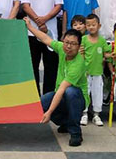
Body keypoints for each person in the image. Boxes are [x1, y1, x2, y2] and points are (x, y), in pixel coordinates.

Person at [25, 19, 88, 147]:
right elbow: (45, 39)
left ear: (79, 46)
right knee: (44, 101)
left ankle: (75, 132)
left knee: (70, 91)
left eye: (73, 44)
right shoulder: (62, 49)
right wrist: (29, 26)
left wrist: (49, 113)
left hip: (77, 98)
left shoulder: (78, 63)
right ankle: (66, 122)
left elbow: (62, 89)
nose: (69, 46)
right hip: (62, 95)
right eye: (67, 42)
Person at [21, 0, 63, 94]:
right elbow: (25, 6)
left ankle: (48, 97)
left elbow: (58, 6)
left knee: (51, 67)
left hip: (50, 34)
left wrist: (44, 19)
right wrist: (38, 20)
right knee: (32, 66)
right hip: (32, 33)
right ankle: (34, 96)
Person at [80, 13, 109, 126]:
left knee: (98, 93)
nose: (91, 27)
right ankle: (84, 113)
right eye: (88, 25)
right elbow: (81, 54)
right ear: (85, 27)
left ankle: (96, 114)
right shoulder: (83, 39)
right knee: (85, 93)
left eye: (93, 25)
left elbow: (106, 53)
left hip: (98, 72)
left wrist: (111, 55)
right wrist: (83, 69)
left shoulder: (102, 40)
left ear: (99, 26)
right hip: (86, 73)